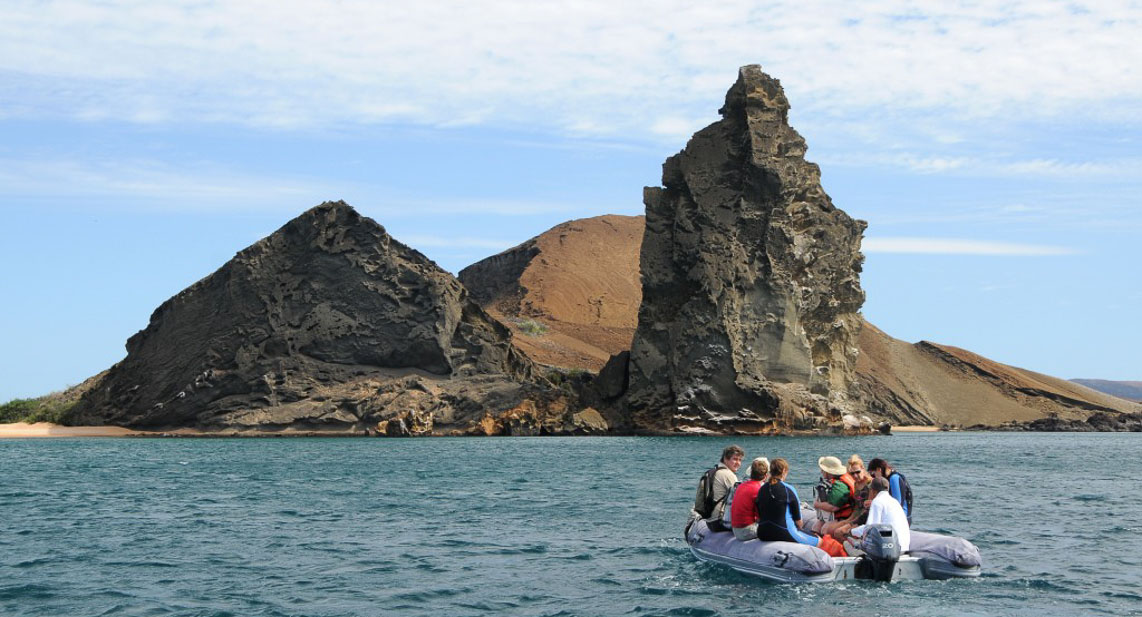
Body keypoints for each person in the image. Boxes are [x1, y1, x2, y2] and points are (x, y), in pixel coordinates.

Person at [755, 458, 847, 557]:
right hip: (783, 532)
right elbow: (799, 522)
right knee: (821, 541)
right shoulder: (788, 489)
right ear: (784, 471)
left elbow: (759, 516)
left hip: (763, 533)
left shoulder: (762, 489)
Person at [848, 476, 911, 553]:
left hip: (890, 550)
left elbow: (870, 529)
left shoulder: (877, 501)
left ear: (873, 491)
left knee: (847, 543)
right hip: (903, 547)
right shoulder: (894, 502)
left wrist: (851, 532)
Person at [691, 445, 744, 524]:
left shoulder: (710, 472)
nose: (738, 463)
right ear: (725, 459)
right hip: (720, 520)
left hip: (708, 518)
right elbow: (740, 499)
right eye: (735, 459)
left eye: (740, 460)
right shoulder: (728, 475)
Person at [826, 456, 873, 540]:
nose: (855, 476)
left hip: (865, 518)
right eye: (852, 473)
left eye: (857, 472)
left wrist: (851, 523)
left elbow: (869, 510)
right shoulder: (856, 484)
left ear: (863, 468)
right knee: (830, 529)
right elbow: (857, 507)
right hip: (856, 516)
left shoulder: (870, 484)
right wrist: (849, 520)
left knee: (838, 532)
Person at [810, 456, 856, 534]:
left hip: (847, 517)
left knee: (825, 529)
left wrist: (817, 504)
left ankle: (826, 541)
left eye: (823, 470)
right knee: (816, 527)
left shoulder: (840, 486)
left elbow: (834, 507)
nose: (821, 471)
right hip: (837, 517)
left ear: (828, 472)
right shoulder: (837, 481)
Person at [730, 457, 769, 541]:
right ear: (766, 476)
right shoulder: (759, 490)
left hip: (735, 530)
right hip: (747, 531)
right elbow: (761, 517)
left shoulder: (741, 486)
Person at [867, 458, 913, 524]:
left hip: (902, 518)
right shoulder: (888, 479)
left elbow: (897, 503)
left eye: (873, 474)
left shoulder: (894, 478)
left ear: (879, 470)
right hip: (897, 517)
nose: (873, 477)